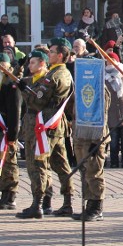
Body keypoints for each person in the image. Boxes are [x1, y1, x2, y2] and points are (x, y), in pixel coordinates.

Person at [16, 42, 76, 219]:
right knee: (61, 164)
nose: (48, 54)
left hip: (44, 125)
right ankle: (67, 202)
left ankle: (38, 204)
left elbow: (37, 101)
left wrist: (24, 91)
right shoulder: (63, 73)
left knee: (38, 164)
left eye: (51, 52)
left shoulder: (55, 76)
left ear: (60, 55)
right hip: (56, 125)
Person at [71, 54, 111, 222]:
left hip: (94, 138)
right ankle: (89, 205)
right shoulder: (80, 86)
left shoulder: (101, 88)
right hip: (81, 136)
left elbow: (102, 114)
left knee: (94, 172)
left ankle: (97, 206)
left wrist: (97, 140)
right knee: (85, 172)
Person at [0, 50, 22, 210]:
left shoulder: (12, 84)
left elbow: (15, 111)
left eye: (3, 66)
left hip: (8, 129)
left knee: (10, 163)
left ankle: (10, 194)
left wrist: (13, 135)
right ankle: (4, 194)